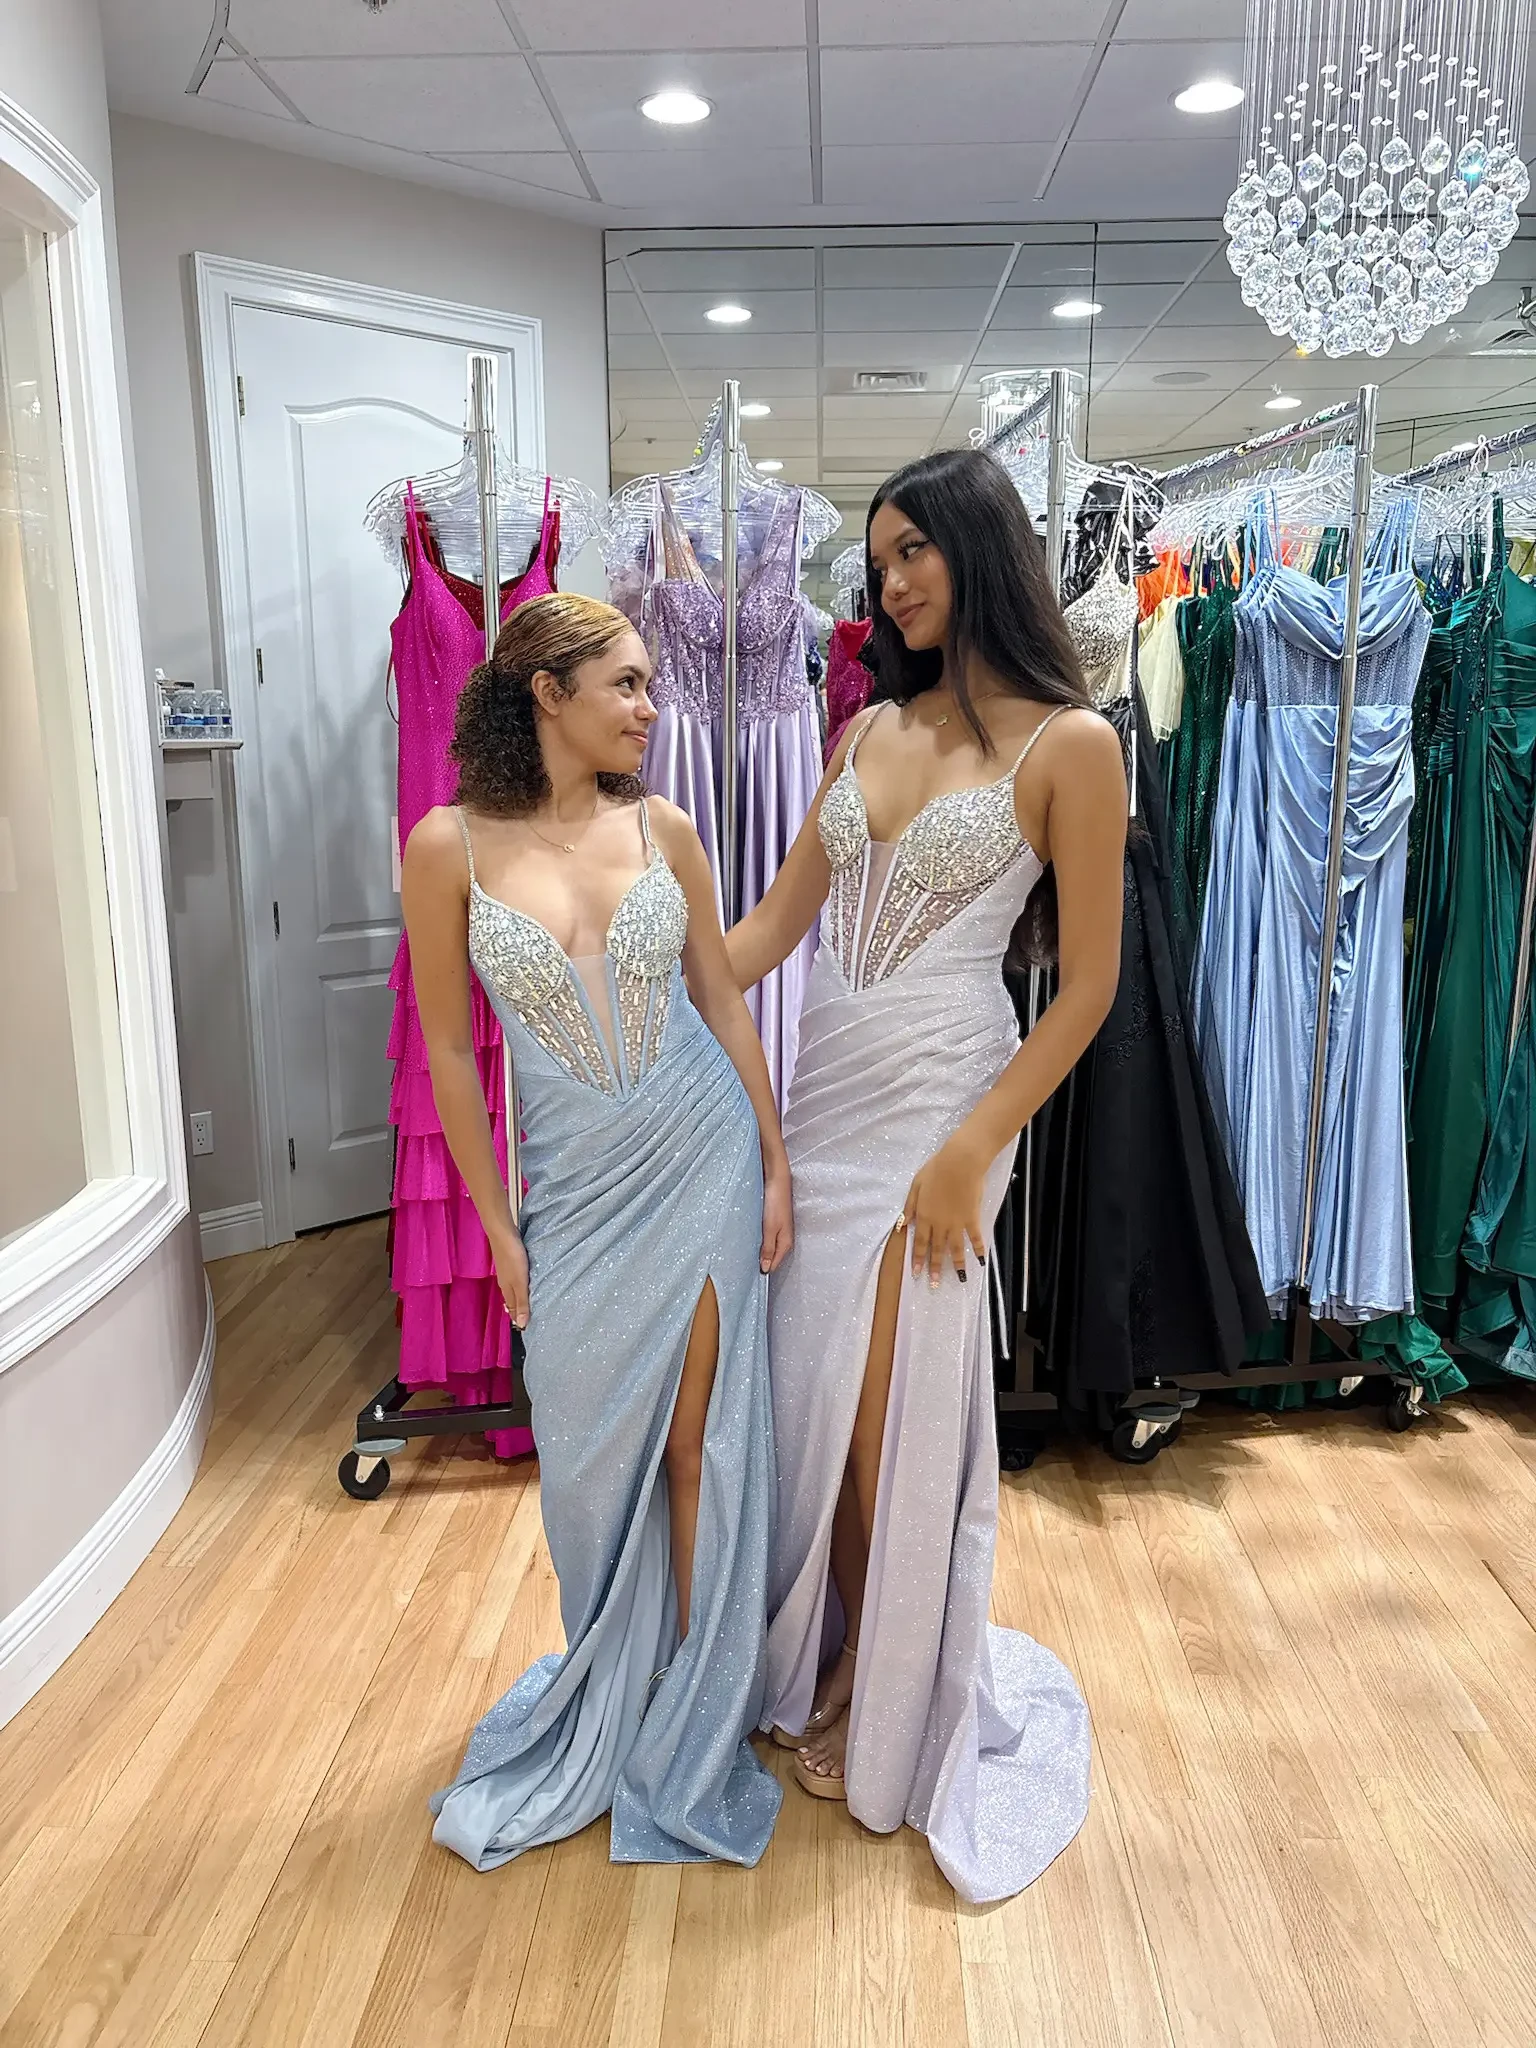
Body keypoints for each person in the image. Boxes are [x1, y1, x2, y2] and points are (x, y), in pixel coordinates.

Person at [726, 449, 1126, 1904]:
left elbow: (1087, 988)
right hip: (829, 1095)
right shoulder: (861, 729)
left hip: (945, 1105)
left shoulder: (1072, 744)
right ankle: (835, 1658)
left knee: (894, 1417)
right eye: (879, 555)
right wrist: (631, 942)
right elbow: (774, 927)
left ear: (978, 552)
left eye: (915, 552)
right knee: (813, 1408)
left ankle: (893, 1701)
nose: (890, 581)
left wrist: (974, 1143)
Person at [404, 592, 790, 1873]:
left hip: (700, 1154)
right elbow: (454, 1057)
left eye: (648, 684)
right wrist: (500, 1230)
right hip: (569, 1195)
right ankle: (609, 1683)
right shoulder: (446, 844)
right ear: (545, 692)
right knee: (580, 1453)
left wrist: (775, 1163)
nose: (648, 705)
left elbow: (724, 1004)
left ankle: (688, 1705)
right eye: (623, 683)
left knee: (695, 1444)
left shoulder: (663, 826)